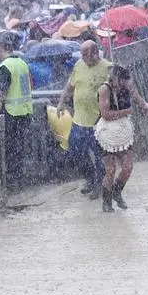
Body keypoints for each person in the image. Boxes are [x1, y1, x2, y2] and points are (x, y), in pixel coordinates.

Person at [96, 65, 148, 212]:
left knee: (128, 167)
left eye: (127, 83)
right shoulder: (105, 89)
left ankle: (117, 192)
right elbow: (105, 114)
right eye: (122, 82)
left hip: (123, 133)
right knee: (110, 170)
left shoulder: (128, 87)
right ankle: (106, 202)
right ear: (116, 79)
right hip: (106, 133)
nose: (125, 85)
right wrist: (125, 112)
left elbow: (141, 102)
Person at [56, 40, 112, 199]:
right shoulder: (79, 65)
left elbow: (117, 91)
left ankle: (100, 185)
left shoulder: (107, 68)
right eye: (82, 55)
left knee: (100, 155)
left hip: (98, 121)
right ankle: (89, 178)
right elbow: (70, 85)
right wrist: (61, 103)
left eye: (86, 55)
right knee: (75, 151)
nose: (83, 58)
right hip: (79, 120)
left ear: (95, 53)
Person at [0, 33, 33, 187]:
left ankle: (10, 182)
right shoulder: (22, 63)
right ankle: (20, 179)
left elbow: (0, 94)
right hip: (25, 112)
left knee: (9, 151)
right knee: (19, 149)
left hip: (10, 114)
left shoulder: (5, 66)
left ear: (0, 48)